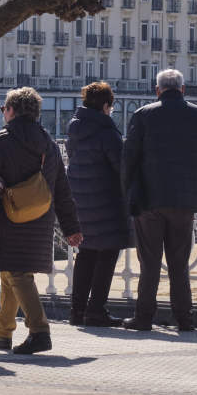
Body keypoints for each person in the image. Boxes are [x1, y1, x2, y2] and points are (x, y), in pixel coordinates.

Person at [0, 87, 82, 354]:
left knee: (17, 273)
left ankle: (39, 331)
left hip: (8, 218)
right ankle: (2, 332)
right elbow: (61, 188)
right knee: (11, 271)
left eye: (4, 109)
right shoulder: (48, 143)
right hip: (40, 218)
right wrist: (71, 227)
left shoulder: (0, 141)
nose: (4, 114)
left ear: (11, 110)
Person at [121, 68, 197, 332]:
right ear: (183, 90)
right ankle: (184, 318)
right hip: (184, 202)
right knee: (178, 263)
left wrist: (129, 192)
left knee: (149, 263)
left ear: (157, 90)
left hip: (149, 201)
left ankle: (143, 318)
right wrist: (196, 187)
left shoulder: (143, 115)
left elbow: (129, 159)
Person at [65, 81, 131, 326]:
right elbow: (121, 168)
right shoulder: (107, 132)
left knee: (87, 253)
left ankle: (77, 311)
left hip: (80, 199)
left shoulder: (75, 129)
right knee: (108, 252)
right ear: (106, 106)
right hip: (106, 201)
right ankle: (95, 310)